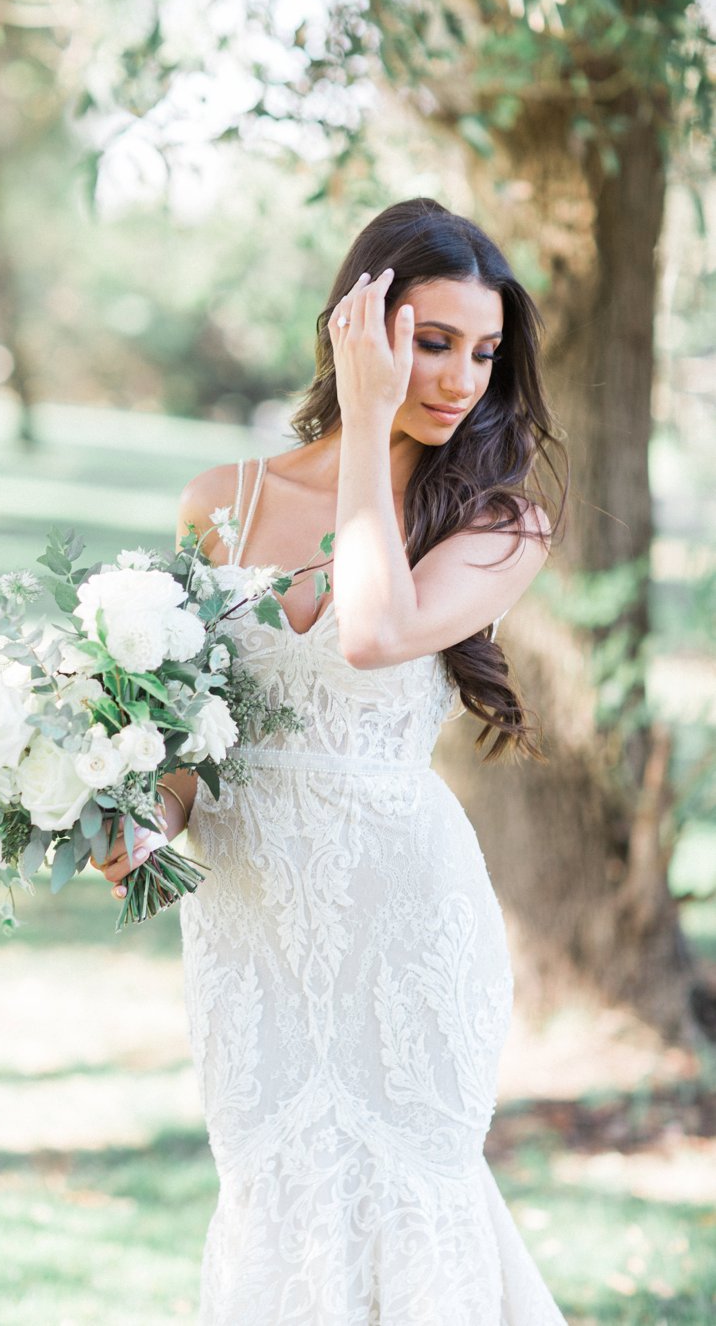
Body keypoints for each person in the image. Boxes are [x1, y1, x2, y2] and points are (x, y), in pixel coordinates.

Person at [98, 198, 569, 1324]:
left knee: (413, 1199)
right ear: (360, 327)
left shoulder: (502, 522)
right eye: (433, 341)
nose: (460, 379)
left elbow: (368, 631)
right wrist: (116, 824)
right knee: (273, 1200)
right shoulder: (222, 505)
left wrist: (368, 430)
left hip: (408, 923)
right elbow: (185, 748)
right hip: (251, 931)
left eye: (484, 351)